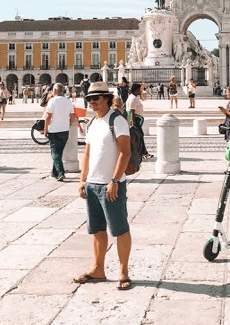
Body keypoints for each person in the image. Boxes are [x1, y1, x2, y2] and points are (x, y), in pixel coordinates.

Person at [75, 81, 132, 291]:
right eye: (89, 99)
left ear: (106, 99)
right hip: (92, 184)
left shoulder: (117, 121)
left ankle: (123, 271)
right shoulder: (93, 123)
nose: (92, 103)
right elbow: (88, 153)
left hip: (111, 185)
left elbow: (125, 152)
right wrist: (83, 180)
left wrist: (115, 180)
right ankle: (98, 268)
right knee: (97, 230)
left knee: (119, 229)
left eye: (96, 99)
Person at [43, 82, 75, 181]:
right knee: (59, 152)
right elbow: (73, 115)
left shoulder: (52, 101)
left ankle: (61, 172)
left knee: (55, 153)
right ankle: (54, 172)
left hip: (54, 131)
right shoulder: (68, 101)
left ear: (56, 90)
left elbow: (48, 116)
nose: (52, 91)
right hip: (65, 131)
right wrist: (69, 124)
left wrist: (45, 129)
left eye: (53, 90)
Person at [126, 83, 153, 161]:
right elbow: (131, 111)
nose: (141, 90)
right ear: (136, 90)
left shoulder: (133, 97)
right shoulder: (133, 99)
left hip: (137, 119)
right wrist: (133, 123)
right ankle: (143, 153)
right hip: (135, 120)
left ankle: (144, 153)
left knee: (140, 136)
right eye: (139, 89)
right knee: (139, 136)